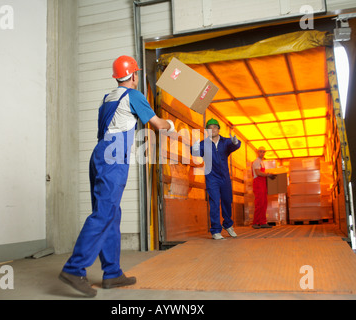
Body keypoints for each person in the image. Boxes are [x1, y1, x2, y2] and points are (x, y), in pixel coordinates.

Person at [59, 56, 174, 297]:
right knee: (104, 213)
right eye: (136, 74)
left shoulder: (107, 98)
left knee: (111, 212)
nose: (137, 77)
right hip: (113, 157)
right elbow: (158, 125)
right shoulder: (134, 96)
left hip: (100, 153)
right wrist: (170, 125)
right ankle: (74, 268)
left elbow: (106, 129)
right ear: (133, 75)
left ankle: (112, 273)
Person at [191, 118, 241, 240]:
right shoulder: (204, 144)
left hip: (225, 178)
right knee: (214, 203)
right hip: (212, 177)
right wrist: (195, 148)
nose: (212, 129)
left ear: (218, 129)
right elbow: (195, 152)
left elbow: (236, 144)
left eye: (214, 127)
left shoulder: (226, 142)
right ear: (207, 131)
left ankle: (228, 224)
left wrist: (236, 142)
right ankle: (215, 230)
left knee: (227, 201)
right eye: (209, 127)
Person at [251, 147, 276, 229]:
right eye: (260, 152)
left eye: (263, 152)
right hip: (258, 183)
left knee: (264, 203)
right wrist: (268, 174)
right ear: (257, 153)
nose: (262, 153)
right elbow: (258, 173)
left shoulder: (262, 162)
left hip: (262, 183)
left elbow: (262, 173)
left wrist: (268, 175)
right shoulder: (256, 162)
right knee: (259, 203)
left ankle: (262, 222)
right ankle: (255, 222)